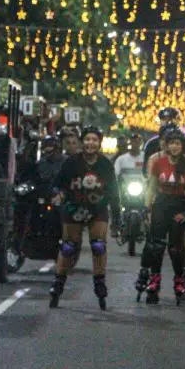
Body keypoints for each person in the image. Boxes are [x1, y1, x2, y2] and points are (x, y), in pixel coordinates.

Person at [49, 126, 121, 309]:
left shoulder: (105, 164)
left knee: (98, 245)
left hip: (97, 209)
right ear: (83, 142)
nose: (91, 143)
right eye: (87, 139)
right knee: (68, 247)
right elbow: (58, 185)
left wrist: (117, 221)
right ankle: (58, 283)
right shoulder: (71, 163)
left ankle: (100, 282)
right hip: (74, 207)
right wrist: (58, 196)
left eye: (94, 140)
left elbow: (114, 192)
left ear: (99, 143)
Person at [135, 129, 185, 304]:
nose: (174, 147)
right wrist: (146, 208)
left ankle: (179, 280)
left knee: (176, 248)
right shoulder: (158, 162)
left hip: (179, 207)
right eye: (171, 143)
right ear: (165, 145)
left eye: (177, 143)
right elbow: (151, 188)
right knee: (156, 246)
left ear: (182, 146)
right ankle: (154, 280)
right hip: (160, 205)